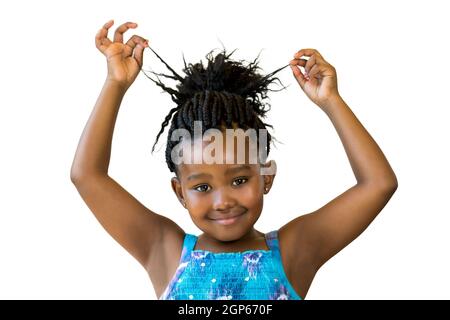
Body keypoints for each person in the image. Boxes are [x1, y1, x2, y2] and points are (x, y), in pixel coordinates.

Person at [70, 19, 398, 300]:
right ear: (179, 192)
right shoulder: (164, 249)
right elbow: (86, 176)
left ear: (266, 177)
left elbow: (379, 184)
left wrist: (331, 101)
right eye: (201, 186)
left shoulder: (295, 250)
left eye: (239, 180)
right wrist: (115, 84)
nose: (223, 200)